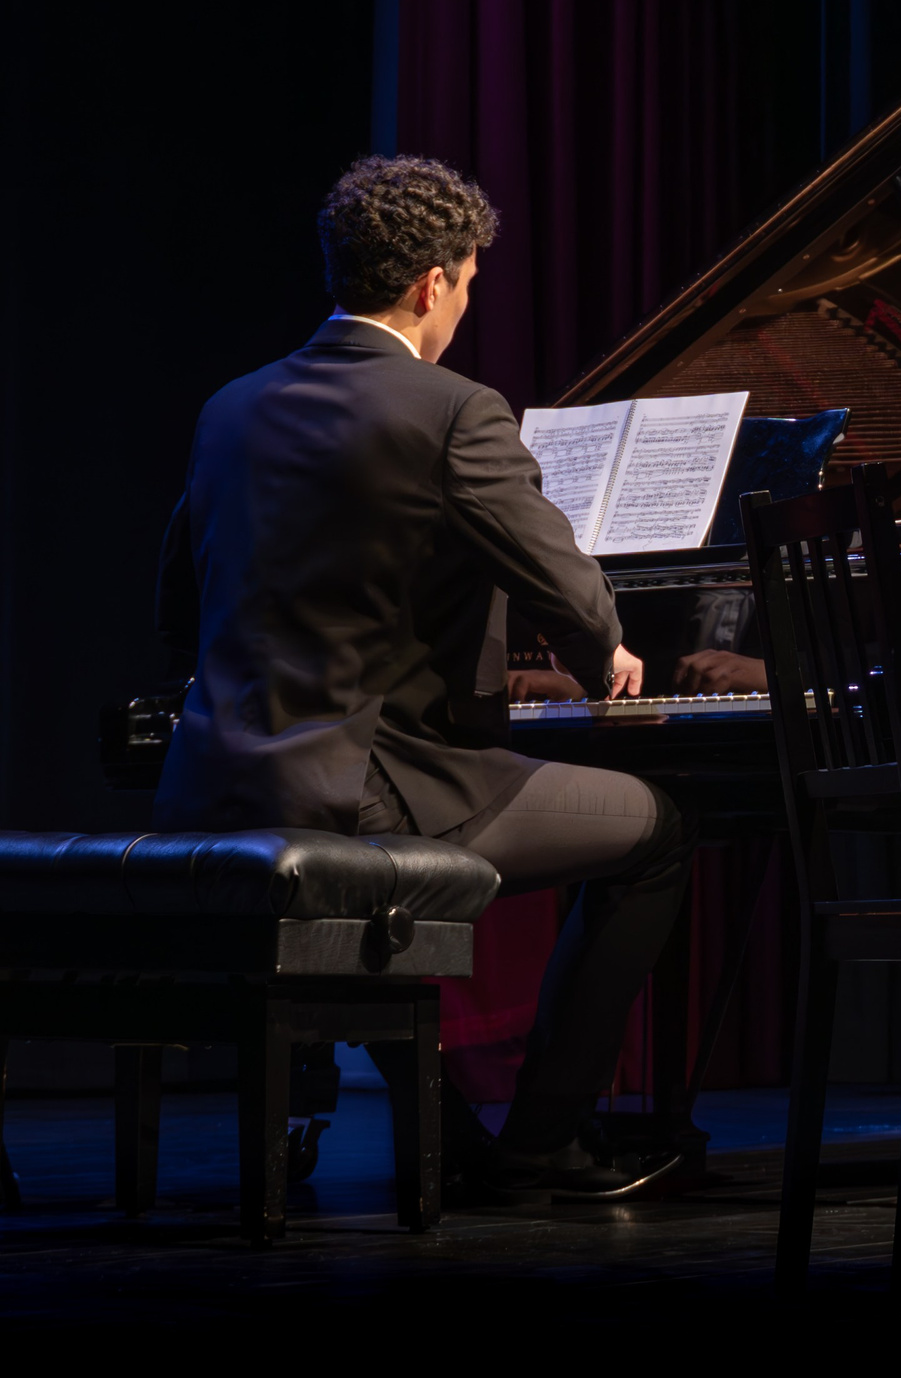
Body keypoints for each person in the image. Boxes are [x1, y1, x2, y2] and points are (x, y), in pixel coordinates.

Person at [154, 154, 693, 1201]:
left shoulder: (229, 408)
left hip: (216, 782)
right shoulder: (453, 408)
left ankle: (451, 1127)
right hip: (364, 788)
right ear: (431, 283)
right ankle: (545, 1130)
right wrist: (605, 654)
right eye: (469, 283)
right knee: (660, 829)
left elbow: (180, 607)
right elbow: (560, 577)